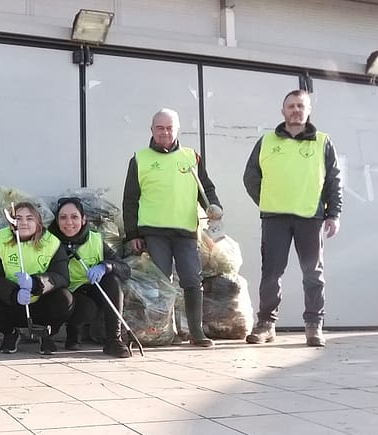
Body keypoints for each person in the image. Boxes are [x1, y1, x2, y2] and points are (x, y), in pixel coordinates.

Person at [243, 90, 342, 347]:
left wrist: (333, 214)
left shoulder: (322, 141)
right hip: (275, 218)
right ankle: (266, 324)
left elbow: (333, 180)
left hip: (310, 217)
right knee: (271, 273)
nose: (296, 110)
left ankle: (313, 325)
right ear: (282, 111)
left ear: (308, 111)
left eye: (301, 106)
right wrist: (268, 200)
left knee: (313, 274)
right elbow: (251, 177)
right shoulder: (266, 141)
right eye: (291, 106)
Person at [122, 108, 223, 347]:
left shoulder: (191, 157)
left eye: (169, 128)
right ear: (152, 130)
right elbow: (130, 200)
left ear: (177, 129)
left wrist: (214, 206)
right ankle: (162, 331)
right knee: (160, 283)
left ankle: (196, 332)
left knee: (191, 279)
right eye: (160, 128)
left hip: (185, 231)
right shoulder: (139, 159)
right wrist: (132, 234)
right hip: (154, 231)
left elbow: (205, 189)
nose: (165, 132)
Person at [0, 201, 72, 355]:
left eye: (29, 218)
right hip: (13, 303)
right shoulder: (2, 240)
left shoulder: (51, 243)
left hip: (42, 302)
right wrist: (13, 293)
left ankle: (46, 335)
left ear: (38, 222)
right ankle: (10, 333)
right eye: (18, 218)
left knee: (65, 299)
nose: (23, 223)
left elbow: (61, 276)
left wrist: (36, 283)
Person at [48, 197, 131, 357]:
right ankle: (67, 332)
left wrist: (105, 266)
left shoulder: (95, 239)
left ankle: (114, 340)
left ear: (83, 219)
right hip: (62, 294)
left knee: (112, 281)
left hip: (90, 288)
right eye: (63, 217)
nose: (69, 222)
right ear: (57, 220)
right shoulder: (48, 241)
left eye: (74, 217)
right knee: (80, 306)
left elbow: (125, 269)